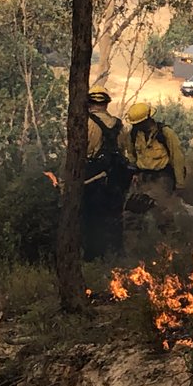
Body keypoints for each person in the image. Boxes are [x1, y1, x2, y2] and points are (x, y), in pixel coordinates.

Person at [82, 89, 131, 259]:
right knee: (115, 219)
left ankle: (93, 258)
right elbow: (125, 151)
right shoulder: (119, 125)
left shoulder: (85, 124)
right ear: (106, 103)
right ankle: (117, 257)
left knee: (91, 220)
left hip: (91, 181)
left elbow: (79, 153)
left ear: (89, 103)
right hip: (116, 181)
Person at [123, 101, 187, 225]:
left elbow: (177, 158)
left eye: (139, 123)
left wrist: (180, 183)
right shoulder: (134, 134)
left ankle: (168, 238)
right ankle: (139, 239)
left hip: (162, 178)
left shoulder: (166, 134)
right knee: (132, 208)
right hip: (142, 178)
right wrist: (134, 173)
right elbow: (131, 154)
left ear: (147, 120)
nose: (136, 126)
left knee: (158, 210)